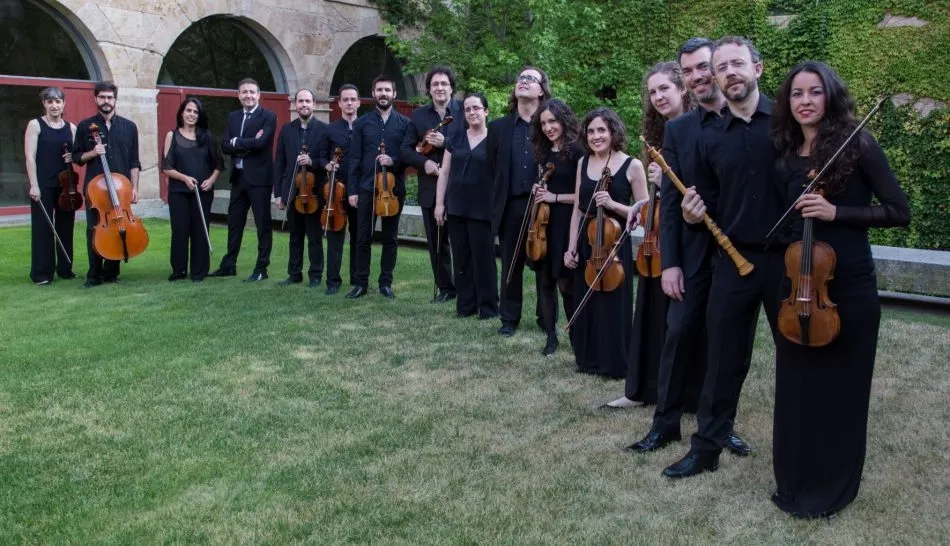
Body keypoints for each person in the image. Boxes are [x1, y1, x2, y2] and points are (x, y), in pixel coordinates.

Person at [769, 61, 909, 518]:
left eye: (814, 92)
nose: (805, 101)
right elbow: (788, 219)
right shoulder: (787, 154)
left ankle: (832, 486)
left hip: (846, 285)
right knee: (797, 387)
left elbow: (897, 211)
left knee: (841, 389)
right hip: (797, 284)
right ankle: (793, 480)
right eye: (796, 94)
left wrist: (836, 214)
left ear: (830, 96)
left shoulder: (859, 144)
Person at [665, 36, 787, 479]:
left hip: (786, 264)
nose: (728, 73)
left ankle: (794, 450)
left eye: (737, 64)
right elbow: (707, 203)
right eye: (722, 68)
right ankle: (707, 449)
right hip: (731, 262)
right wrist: (693, 214)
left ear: (758, 67)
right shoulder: (709, 136)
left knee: (793, 358)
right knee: (722, 360)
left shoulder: (787, 124)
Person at [625, 39, 751, 457]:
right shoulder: (680, 130)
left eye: (703, 68)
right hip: (693, 253)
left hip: (737, 254)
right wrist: (672, 264)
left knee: (725, 343)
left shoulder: (742, 118)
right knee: (677, 334)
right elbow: (674, 207)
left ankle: (720, 424)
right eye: (691, 71)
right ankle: (665, 425)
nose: (698, 77)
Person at [605, 62, 693, 407]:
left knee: (680, 318)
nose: (657, 97)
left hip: (690, 236)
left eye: (664, 89)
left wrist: (667, 180)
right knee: (650, 311)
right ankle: (641, 390)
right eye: (652, 92)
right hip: (660, 233)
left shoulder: (699, 128)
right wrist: (643, 206)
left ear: (682, 89)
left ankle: (680, 393)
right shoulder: (659, 132)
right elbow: (656, 193)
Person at [564, 108, 648, 378]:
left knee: (613, 303)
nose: (596, 136)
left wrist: (613, 205)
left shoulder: (632, 165)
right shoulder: (583, 163)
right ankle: (588, 360)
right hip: (588, 240)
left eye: (602, 130)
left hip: (613, 245)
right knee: (586, 300)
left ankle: (615, 363)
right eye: (591, 131)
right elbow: (578, 208)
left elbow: (645, 212)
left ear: (613, 132)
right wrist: (571, 246)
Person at [487, 66, 553, 336]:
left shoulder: (550, 126)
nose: (523, 82)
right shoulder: (499, 127)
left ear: (541, 90)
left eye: (530, 79)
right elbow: (491, 171)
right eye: (520, 78)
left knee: (544, 262)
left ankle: (545, 316)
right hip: (512, 205)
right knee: (511, 264)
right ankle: (509, 318)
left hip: (545, 205)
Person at [434, 93, 498, 319]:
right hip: (457, 207)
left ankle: (488, 307)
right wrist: (439, 204)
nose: (472, 112)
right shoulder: (455, 139)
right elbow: (444, 173)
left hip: (482, 209)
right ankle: (466, 305)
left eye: (476, 108)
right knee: (461, 258)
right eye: (468, 109)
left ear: (486, 111)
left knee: (483, 259)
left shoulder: (494, 141)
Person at [346, 75, 410, 300]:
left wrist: (394, 161)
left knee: (390, 238)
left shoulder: (404, 123)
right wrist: (352, 190)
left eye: (387, 90)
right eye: (379, 90)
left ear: (394, 94)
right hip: (366, 188)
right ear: (373, 94)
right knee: (363, 236)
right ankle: (361, 282)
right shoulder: (362, 122)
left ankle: (386, 282)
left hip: (393, 189)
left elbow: (408, 155)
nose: (383, 94)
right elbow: (354, 157)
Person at [402, 65, 463, 303]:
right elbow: (405, 150)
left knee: (461, 242)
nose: (439, 88)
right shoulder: (418, 117)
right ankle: (446, 288)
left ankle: (465, 286)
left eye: (444, 84)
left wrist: (445, 142)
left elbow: (474, 144)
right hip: (430, 186)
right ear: (429, 89)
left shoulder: (463, 111)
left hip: (458, 186)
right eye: (435, 84)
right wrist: (423, 163)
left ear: (451, 88)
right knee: (437, 243)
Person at [72, 81, 141, 288]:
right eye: (102, 97)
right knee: (95, 228)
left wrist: (135, 187)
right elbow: (76, 156)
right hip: (96, 191)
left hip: (121, 189)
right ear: (95, 99)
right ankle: (94, 274)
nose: (106, 101)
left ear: (115, 99)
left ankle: (112, 271)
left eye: (110, 97)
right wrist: (93, 153)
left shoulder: (129, 127)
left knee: (118, 226)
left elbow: (134, 162)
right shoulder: (85, 126)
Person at [528, 99, 583, 356]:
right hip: (545, 222)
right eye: (544, 123)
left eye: (553, 121)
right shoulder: (543, 151)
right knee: (545, 282)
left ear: (563, 120)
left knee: (565, 283)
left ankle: (576, 333)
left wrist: (554, 197)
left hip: (566, 221)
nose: (549, 127)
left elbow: (585, 195)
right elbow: (544, 185)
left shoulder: (577, 151)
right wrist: (539, 189)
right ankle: (550, 337)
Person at [209, 77, 278, 282]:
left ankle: (261, 268)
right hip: (238, 179)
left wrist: (237, 142)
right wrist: (246, 143)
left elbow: (261, 143)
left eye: (252, 92)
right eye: (244, 92)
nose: (248, 95)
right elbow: (224, 145)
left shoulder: (268, 116)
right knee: (234, 223)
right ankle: (229, 265)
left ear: (259, 95)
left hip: (259, 180)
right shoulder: (233, 117)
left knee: (262, 224)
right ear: (238, 95)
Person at [161, 97, 223, 282]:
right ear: (182, 112)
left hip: (202, 192)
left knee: (200, 231)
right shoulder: (172, 136)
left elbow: (218, 165)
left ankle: (199, 271)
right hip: (179, 191)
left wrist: (211, 180)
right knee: (180, 231)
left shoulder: (208, 137)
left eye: (196, 112)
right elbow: (166, 167)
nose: (192, 115)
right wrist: (184, 178)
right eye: (189, 110)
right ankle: (179, 270)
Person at [274, 88, 327, 288]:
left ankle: (315, 275)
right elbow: (279, 162)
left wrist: (312, 160)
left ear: (314, 104)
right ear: (295, 104)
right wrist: (278, 194)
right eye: (300, 101)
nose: (304, 105)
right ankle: (294, 273)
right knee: (294, 235)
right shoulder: (287, 130)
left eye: (307, 101)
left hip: (314, 192)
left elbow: (326, 160)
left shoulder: (323, 130)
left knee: (314, 235)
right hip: (292, 190)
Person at [25, 86, 77, 285]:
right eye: (50, 101)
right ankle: (41, 273)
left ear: (63, 104)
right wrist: (34, 184)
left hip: (66, 185)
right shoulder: (36, 125)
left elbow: (78, 154)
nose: (54, 105)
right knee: (43, 229)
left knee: (65, 227)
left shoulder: (71, 128)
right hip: (44, 185)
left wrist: (72, 155)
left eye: (58, 101)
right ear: (44, 104)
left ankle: (65, 269)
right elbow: (30, 156)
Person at [318, 84, 360, 295]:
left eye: (353, 99)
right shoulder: (330, 129)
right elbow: (320, 156)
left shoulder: (365, 126)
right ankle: (333, 281)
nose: (350, 103)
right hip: (336, 190)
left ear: (359, 102)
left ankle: (357, 278)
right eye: (346, 99)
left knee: (359, 236)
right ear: (339, 103)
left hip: (359, 190)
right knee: (335, 236)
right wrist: (327, 164)